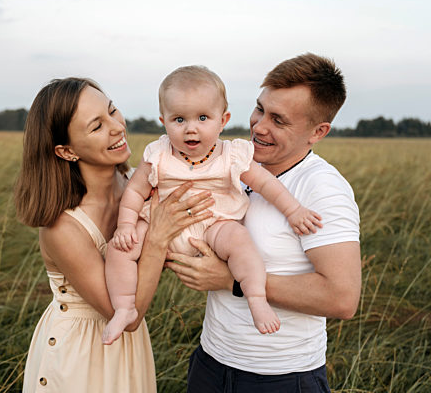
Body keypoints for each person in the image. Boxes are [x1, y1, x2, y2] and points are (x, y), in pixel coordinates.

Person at [166, 53, 362, 392]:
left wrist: (233, 281)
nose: (259, 126)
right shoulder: (232, 163)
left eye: (278, 120)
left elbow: (341, 298)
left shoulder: (322, 189)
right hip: (211, 362)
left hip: (280, 378)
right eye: (260, 109)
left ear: (318, 132)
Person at [14, 77, 214, 393]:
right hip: (78, 354)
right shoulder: (63, 227)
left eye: (112, 111)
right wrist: (158, 238)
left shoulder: (137, 187)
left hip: (129, 348)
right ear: (66, 151)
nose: (117, 127)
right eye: (97, 126)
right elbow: (128, 316)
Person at [102, 65, 323, 345]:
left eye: (203, 118)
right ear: (164, 121)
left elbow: (266, 184)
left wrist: (294, 210)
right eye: (179, 119)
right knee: (119, 249)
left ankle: (256, 297)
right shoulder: (158, 155)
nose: (190, 128)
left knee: (240, 241)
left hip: (214, 226)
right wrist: (125, 226)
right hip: (158, 225)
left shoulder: (232, 155)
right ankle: (124, 307)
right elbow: (134, 192)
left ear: (223, 120)